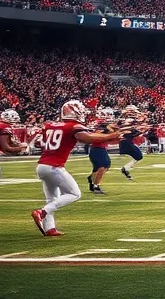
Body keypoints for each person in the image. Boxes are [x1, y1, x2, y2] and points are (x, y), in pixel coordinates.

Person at [33, 100, 130, 236]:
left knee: (52, 199)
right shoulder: (73, 126)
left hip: (42, 166)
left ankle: (49, 228)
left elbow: (39, 143)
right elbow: (87, 138)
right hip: (54, 167)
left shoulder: (50, 125)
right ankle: (42, 212)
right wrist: (111, 136)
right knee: (74, 194)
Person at [86, 107, 120, 195]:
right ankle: (96, 186)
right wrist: (108, 131)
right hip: (97, 149)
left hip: (101, 148)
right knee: (102, 166)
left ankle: (92, 180)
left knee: (104, 166)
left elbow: (114, 133)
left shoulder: (106, 127)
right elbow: (96, 135)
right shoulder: (100, 127)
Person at [116, 105, 146, 180]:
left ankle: (125, 168)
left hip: (126, 141)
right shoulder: (129, 121)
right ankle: (125, 168)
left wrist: (141, 131)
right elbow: (132, 129)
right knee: (139, 156)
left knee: (139, 156)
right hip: (126, 142)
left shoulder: (124, 120)